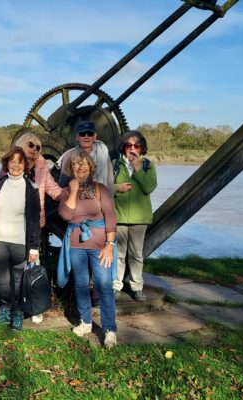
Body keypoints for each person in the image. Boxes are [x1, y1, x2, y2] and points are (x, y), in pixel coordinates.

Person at [57, 149, 117, 348]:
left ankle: (109, 330)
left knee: (104, 286)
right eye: (76, 164)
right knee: (81, 286)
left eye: (84, 164)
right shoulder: (66, 191)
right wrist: (73, 191)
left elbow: (110, 218)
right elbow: (66, 215)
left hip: (100, 247)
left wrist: (109, 245)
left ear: (90, 167)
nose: (80, 167)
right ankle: (85, 322)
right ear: (71, 168)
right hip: (76, 247)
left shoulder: (100, 189)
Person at [10, 130, 63, 324]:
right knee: (15, 266)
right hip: (13, 225)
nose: (34, 149)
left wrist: (72, 193)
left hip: (33, 226)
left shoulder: (41, 168)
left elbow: (54, 190)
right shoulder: (12, 165)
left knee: (33, 264)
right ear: (22, 146)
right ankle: (16, 305)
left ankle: (34, 307)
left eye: (38, 147)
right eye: (30, 145)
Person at [0, 147, 40, 332]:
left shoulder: (32, 188)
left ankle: (18, 312)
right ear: (7, 164)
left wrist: (34, 248)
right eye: (12, 162)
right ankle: (5, 307)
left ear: (25, 165)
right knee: (2, 279)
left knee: (18, 280)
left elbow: (34, 220)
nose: (16, 166)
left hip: (20, 242)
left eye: (20, 162)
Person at [112, 130, 157, 301]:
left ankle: (137, 287)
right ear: (123, 148)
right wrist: (117, 188)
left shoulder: (148, 165)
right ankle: (116, 286)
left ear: (142, 148)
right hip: (119, 217)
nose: (132, 149)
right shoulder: (115, 164)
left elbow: (149, 187)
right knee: (119, 254)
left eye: (136, 145)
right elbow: (105, 187)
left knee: (137, 254)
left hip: (139, 219)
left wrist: (138, 168)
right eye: (128, 145)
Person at [58, 121, 114, 194]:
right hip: (77, 201)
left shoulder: (104, 153)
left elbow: (110, 181)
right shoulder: (69, 156)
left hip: (100, 198)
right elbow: (63, 185)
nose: (86, 137)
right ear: (77, 137)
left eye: (90, 134)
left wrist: (110, 201)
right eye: (82, 134)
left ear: (95, 136)